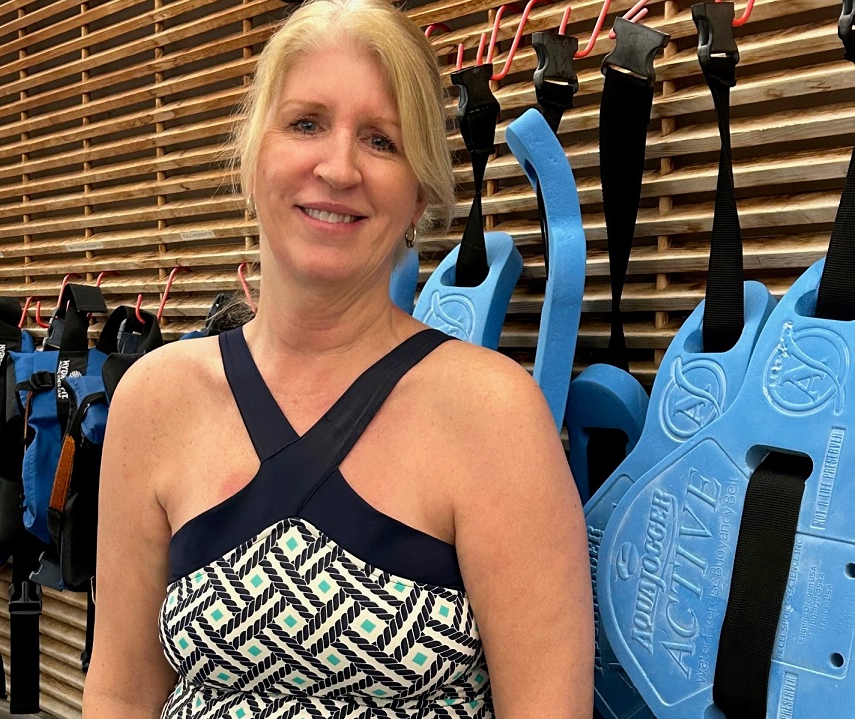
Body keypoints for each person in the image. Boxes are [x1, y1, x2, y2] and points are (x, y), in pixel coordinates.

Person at [82, 0, 593, 716]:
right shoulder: (154, 400)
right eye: (306, 123)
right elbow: (120, 693)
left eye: (381, 140)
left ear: (419, 193)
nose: (339, 166)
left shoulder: (493, 414)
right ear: (254, 153)